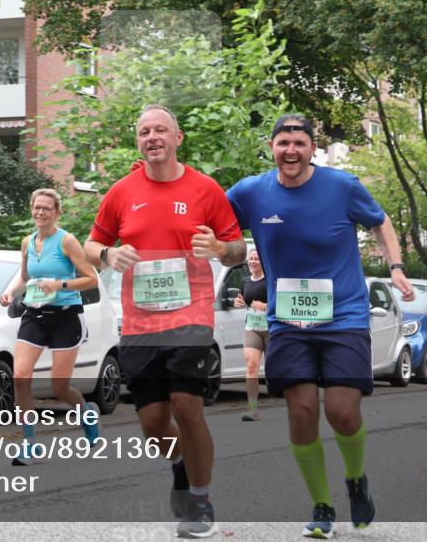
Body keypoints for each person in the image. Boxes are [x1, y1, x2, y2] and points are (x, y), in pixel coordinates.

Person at [226, 114, 415, 539]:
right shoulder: (252, 192)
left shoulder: (342, 186)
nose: (290, 150)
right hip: (288, 321)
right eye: (283, 142)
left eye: (299, 142)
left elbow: (380, 221)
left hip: (344, 316)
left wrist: (396, 267)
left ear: (313, 148)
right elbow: (208, 209)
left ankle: (355, 478)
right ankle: (322, 505)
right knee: (302, 411)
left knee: (342, 412)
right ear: (272, 147)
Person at [84, 104, 246, 539]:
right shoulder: (121, 192)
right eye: (143, 132)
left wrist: (218, 248)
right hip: (140, 322)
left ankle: (201, 497)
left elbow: (237, 249)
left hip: (191, 314)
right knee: (154, 423)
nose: (151, 137)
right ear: (138, 141)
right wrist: (107, 255)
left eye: (160, 130)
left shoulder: (205, 189)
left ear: (178, 138)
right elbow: (90, 245)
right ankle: (180, 465)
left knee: (188, 406)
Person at [0, 188, 101, 465]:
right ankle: (30, 443)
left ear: (57, 212)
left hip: (66, 316)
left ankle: (86, 413)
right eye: (37, 207)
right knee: (20, 376)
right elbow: (23, 278)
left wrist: (59, 285)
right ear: (31, 210)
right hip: (35, 314)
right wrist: (10, 293)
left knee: (59, 388)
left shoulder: (67, 241)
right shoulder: (27, 243)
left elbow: (90, 278)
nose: (41, 212)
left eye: (47, 208)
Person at [233, 247, 268, 421]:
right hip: (252, 327)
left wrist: (265, 306)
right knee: (252, 366)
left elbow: (282, 303)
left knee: (277, 367)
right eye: (250, 259)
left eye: (256, 258)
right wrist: (238, 302)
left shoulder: (270, 280)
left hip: (271, 329)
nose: (252, 261)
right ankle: (252, 408)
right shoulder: (245, 281)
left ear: (263, 262)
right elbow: (242, 299)